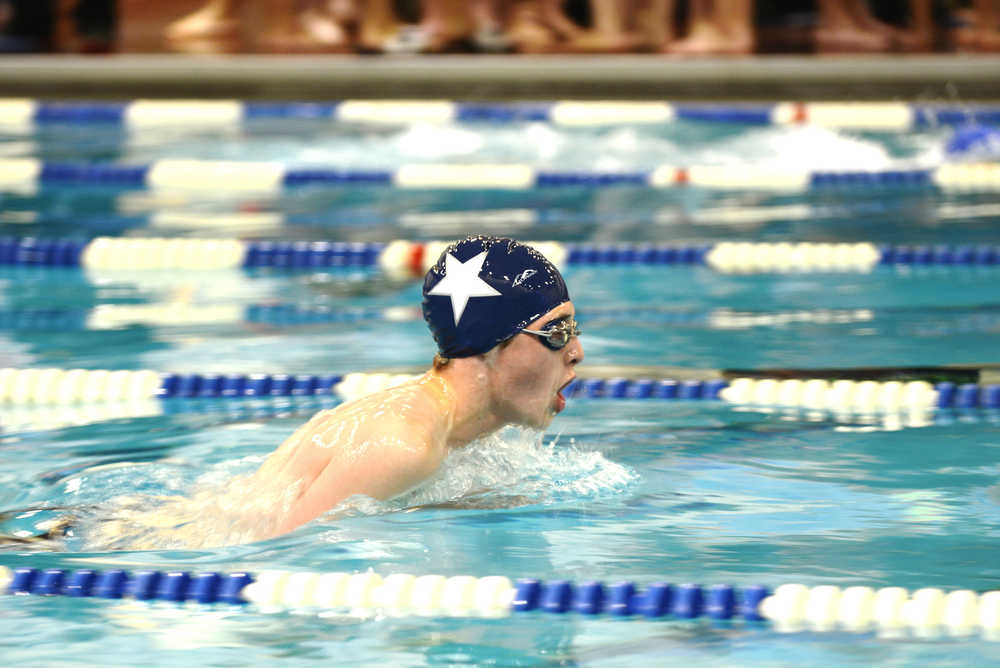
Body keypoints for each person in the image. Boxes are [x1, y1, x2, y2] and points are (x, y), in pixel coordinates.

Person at [246, 236, 584, 538]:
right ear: (488, 344)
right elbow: (283, 551)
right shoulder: (403, 445)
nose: (576, 354)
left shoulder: (441, 426)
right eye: (556, 334)